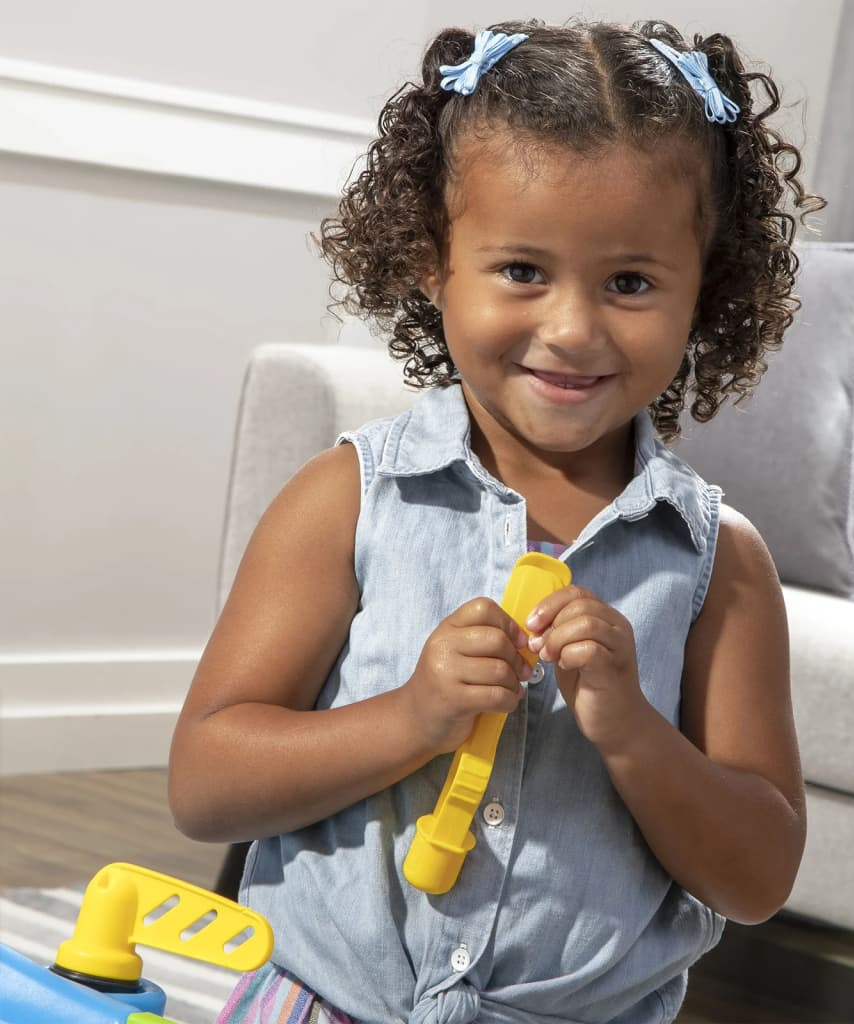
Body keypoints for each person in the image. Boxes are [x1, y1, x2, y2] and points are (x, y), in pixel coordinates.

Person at [169, 18, 821, 1024]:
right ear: (434, 263)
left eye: (631, 282)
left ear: (708, 290)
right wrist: (410, 717)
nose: (571, 327)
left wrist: (634, 734)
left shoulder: (716, 566)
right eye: (522, 269)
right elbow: (205, 784)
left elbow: (756, 874)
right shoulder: (348, 500)